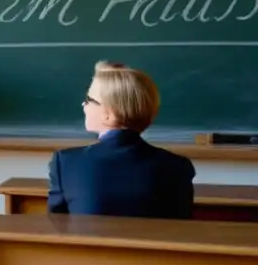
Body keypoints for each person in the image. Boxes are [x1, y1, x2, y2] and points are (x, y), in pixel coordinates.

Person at [47, 61, 195, 218]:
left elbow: (57, 225)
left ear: (109, 114)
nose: (84, 105)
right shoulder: (178, 166)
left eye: (89, 100)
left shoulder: (66, 162)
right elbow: (180, 226)